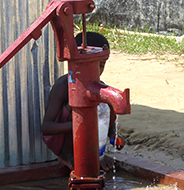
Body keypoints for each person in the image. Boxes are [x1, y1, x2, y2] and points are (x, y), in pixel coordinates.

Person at [41, 31, 124, 172]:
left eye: (101, 65)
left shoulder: (100, 86)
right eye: (92, 65)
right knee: (76, 104)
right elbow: (46, 128)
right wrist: (77, 124)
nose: (97, 71)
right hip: (62, 141)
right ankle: (68, 157)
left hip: (89, 140)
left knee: (105, 103)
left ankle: (98, 155)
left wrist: (113, 136)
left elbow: (109, 120)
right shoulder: (63, 86)